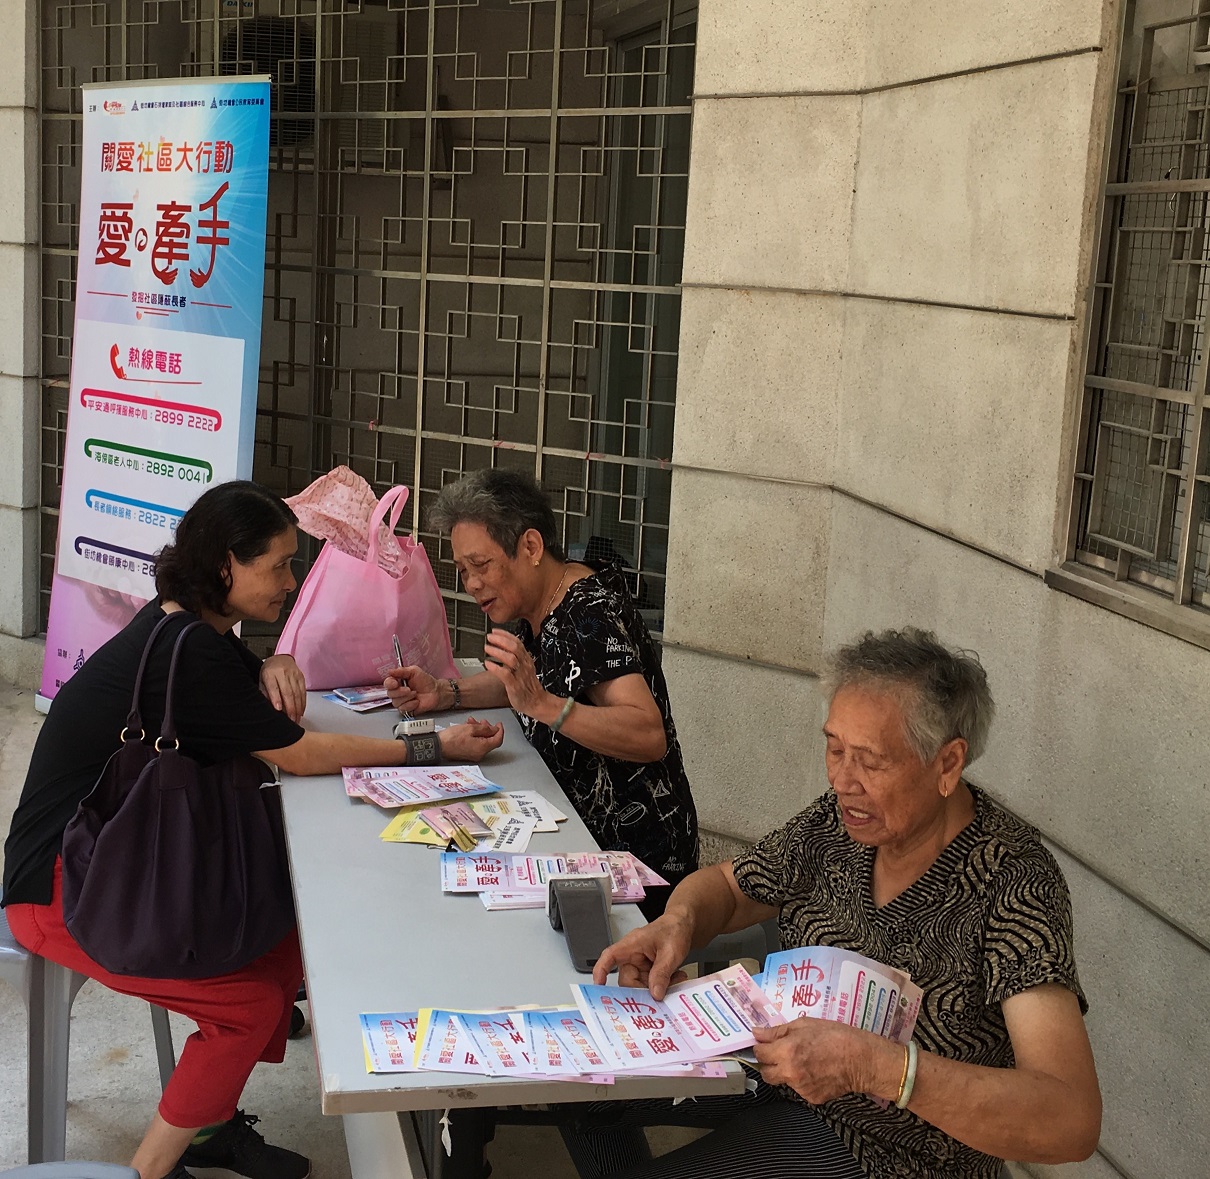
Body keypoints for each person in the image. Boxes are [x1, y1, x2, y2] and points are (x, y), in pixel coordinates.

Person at [1, 481, 503, 1179]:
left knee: (290, 938)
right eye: (279, 565)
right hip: (65, 885)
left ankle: (209, 1121)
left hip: (115, 858)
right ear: (226, 566)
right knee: (250, 1003)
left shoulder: (189, 625)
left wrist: (274, 661)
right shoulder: (191, 649)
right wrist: (431, 747)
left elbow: (258, 699)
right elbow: (297, 752)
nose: (291, 583)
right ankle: (150, 1169)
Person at [569, 628, 1101, 1179]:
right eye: (835, 748)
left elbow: (1071, 1119)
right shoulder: (841, 823)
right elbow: (730, 888)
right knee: (577, 1086)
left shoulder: (1012, 880)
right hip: (776, 1072)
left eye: (870, 761)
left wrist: (876, 1067)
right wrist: (678, 923)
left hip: (893, 1154)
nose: (844, 780)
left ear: (947, 764)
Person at [385, 467, 698, 919]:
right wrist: (445, 692)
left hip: (634, 865)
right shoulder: (543, 603)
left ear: (530, 547)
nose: (472, 584)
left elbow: (647, 733)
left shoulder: (587, 614)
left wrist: (543, 706)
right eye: (463, 570)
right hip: (571, 834)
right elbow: (530, 680)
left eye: (481, 565)